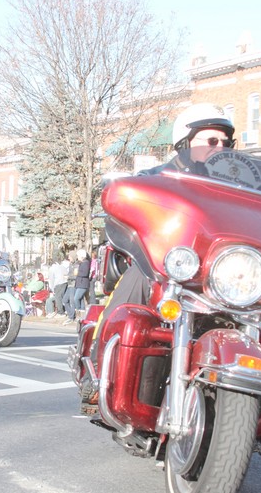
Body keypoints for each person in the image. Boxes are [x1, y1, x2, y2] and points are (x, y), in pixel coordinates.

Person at [92, 103, 240, 339]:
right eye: (212, 141)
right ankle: (103, 354)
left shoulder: (236, 190)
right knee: (133, 293)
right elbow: (130, 205)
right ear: (185, 142)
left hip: (217, 277)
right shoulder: (155, 179)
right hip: (162, 269)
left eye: (226, 143)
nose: (220, 147)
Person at [65, 248, 92, 325]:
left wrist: (77, 273)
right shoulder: (81, 263)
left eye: (78, 256)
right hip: (79, 283)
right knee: (80, 299)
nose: (78, 257)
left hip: (83, 284)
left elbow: (85, 273)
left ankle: (78, 313)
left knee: (76, 298)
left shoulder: (85, 263)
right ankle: (82, 314)